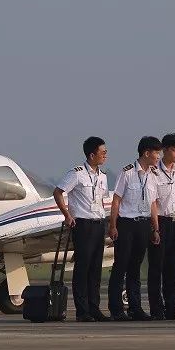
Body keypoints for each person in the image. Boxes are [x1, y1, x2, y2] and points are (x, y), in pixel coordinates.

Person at [53, 137, 111, 322]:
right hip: (83, 225)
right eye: (102, 152)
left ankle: (95, 308)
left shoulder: (103, 176)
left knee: (96, 269)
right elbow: (58, 192)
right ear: (92, 154)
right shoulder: (77, 174)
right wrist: (67, 215)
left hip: (98, 224)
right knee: (83, 268)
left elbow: (101, 200)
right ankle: (82, 310)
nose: (105, 155)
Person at [107, 136, 162, 321]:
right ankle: (116, 309)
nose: (158, 157)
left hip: (144, 224)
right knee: (120, 266)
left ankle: (135, 308)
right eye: (156, 153)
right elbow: (116, 200)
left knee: (135, 268)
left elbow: (153, 203)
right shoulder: (127, 173)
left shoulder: (153, 175)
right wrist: (113, 225)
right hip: (126, 224)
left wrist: (155, 228)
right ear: (146, 153)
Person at [147, 133, 175, 320]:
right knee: (157, 267)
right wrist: (155, 228)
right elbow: (152, 202)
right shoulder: (153, 172)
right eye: (174, 150)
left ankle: (172, 308)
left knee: (172, 268)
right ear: (164, 150)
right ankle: (157, 309)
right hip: (160, 221)